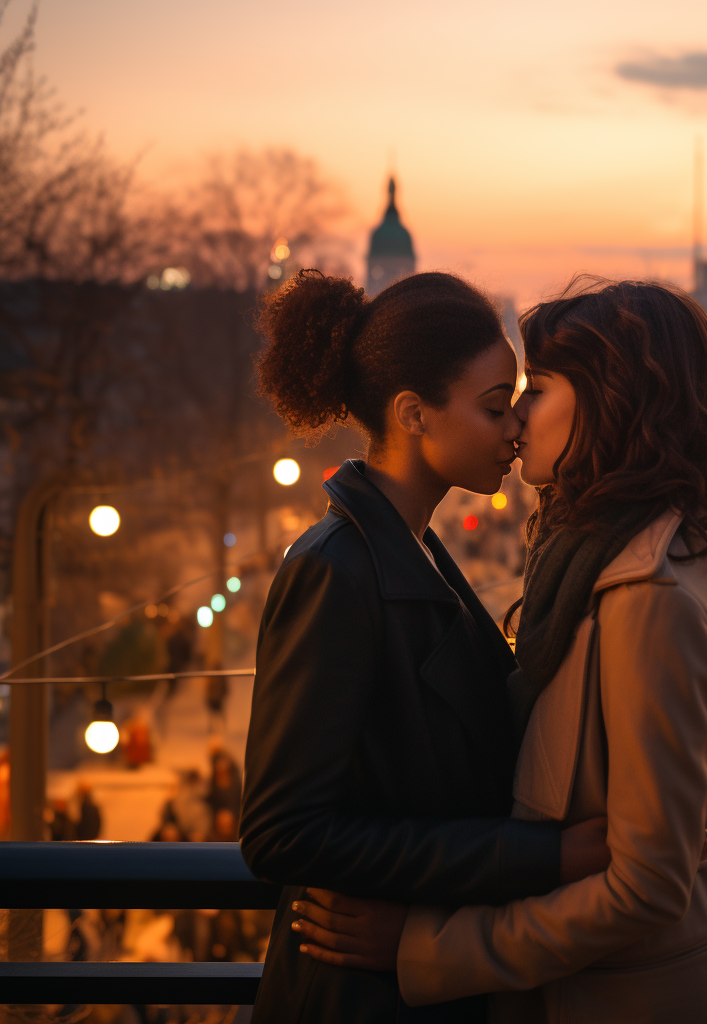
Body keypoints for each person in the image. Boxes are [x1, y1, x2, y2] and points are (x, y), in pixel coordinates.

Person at [293, 279, 707, 1021]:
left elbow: (648, 885)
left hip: (637, 995)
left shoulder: (648, 591)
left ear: (611, 401)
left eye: (538, 390)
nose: (517, 415)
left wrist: (426, 947)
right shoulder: (605, 553)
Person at [239, 271, 609, 1024]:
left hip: (415, 980)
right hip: (358, 997)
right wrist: (542, 857)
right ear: (413, 413)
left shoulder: (412, 551)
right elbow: (281, 832)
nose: (517, 431)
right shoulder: (335, 569)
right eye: (495, 407)